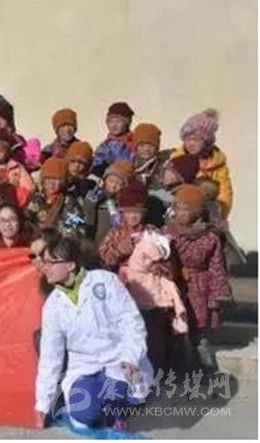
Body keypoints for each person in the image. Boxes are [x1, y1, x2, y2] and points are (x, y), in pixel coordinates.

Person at [32, 233, 152, 431]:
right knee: (84, 413)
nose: (44, 267)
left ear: (70, 265)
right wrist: (42, 404)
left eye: (50, 262)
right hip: (84, 367)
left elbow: (131, 322)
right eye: (43, 262)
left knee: (123, 393)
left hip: (119, 360)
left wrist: (130, 357)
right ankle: (104, 405)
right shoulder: (53, 305)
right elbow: (50, 356)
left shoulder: (106, 282)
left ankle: (119, 409)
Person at [164, 184, 232, 370]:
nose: (180, 213)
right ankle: (177, 366)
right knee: (175, 326)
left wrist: (217, 295)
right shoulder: (168, 233)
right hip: (174, 285)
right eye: (177, 208)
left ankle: (204, 367)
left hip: (200, 286)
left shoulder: (209, 238)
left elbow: (217, 267)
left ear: (197, 212)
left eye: (186, 209)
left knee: (199, 331)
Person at [119, 229, 189, 376]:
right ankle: (153, 371)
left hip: (156, 302)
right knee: (148, 339)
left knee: (158, 339)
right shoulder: (141, 246)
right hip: (142, 299)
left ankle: (161, 370)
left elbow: (166, 264)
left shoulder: (151, 248)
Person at [169, 109, 233, 219]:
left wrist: (221, 213)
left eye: (197, 140)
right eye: (188, 140)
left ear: (207, 142)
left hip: (205, 211)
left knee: (208, 187)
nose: (191, 144)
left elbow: (225, 192)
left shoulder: (216, 163)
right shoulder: (177, 159)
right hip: (179, 209)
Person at [26, 157, 87, 239]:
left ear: (62, 182)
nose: (51, 183)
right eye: (48, 178)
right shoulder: (37, 199)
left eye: (56, 179)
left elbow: (78, 228)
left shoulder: (69, 202)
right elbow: (27, 219)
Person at [98, 181, 149, 271]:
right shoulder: (116, 232)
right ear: (122, 212)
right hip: (122, 274)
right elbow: (104, 256)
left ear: (144, 213)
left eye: (137, 212)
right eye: (129, 212)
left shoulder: (149, 232)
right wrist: (119, 251)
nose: (133, 216)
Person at [84, 159, 135, 245]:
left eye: (119, 184)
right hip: (94, 241)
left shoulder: (125, 203)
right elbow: (87, 215)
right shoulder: (95, 197)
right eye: (111, 181)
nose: (114, 186)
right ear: (105, 181)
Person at [92, 102, 135, 178]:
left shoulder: (133, 143)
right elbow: (98, 164)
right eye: (111, 121)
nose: (114, 125)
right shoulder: (104, 146)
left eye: (118, 121)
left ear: (127, 123)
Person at [131, 123, 170, 188]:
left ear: (157, 148)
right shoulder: (131, 162)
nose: (146, 149)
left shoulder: (162, 161)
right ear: (136, 148)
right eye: (142, 146)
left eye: (151, 146)